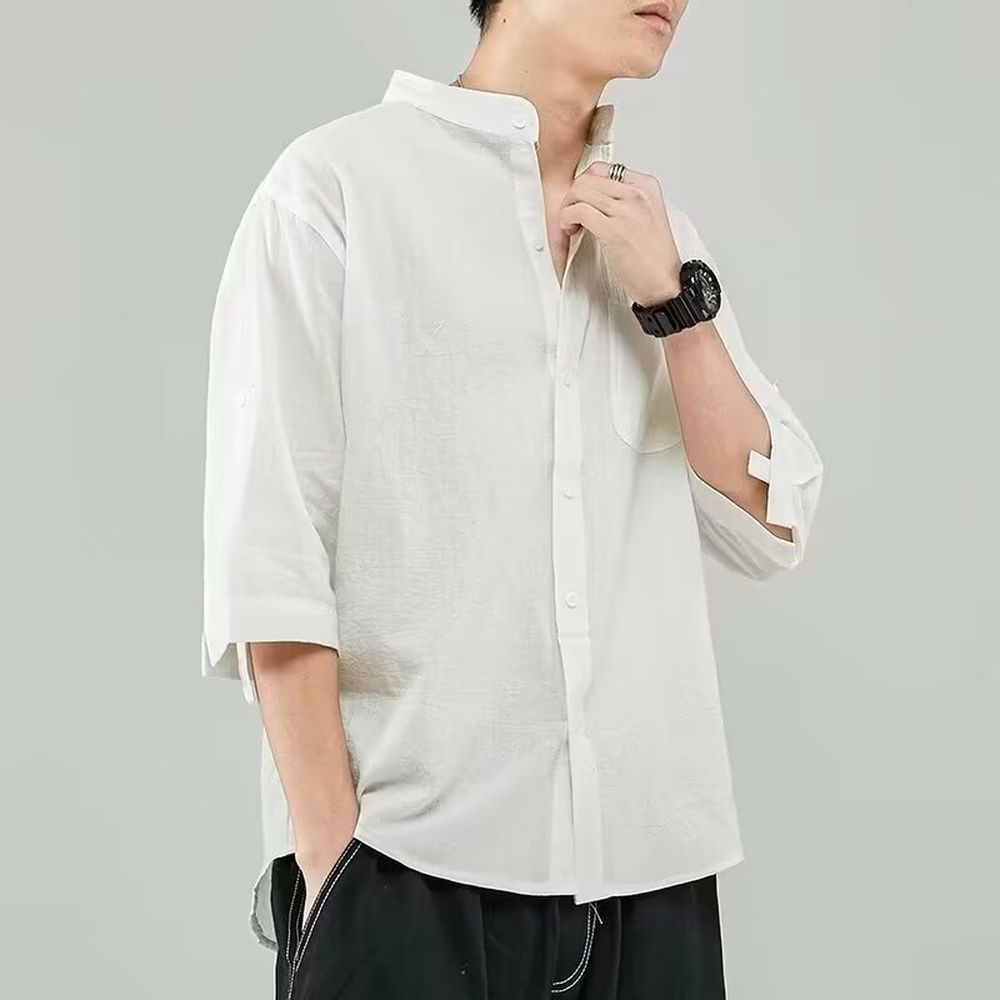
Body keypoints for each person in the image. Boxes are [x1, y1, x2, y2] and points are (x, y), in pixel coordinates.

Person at [201, 1, 824, 996]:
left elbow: (772, 522)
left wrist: (674, 304)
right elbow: (270, 558)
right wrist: (334, 868)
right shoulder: (335, 190)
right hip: (405, 869)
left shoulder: (653, 234)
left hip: (648, 882)